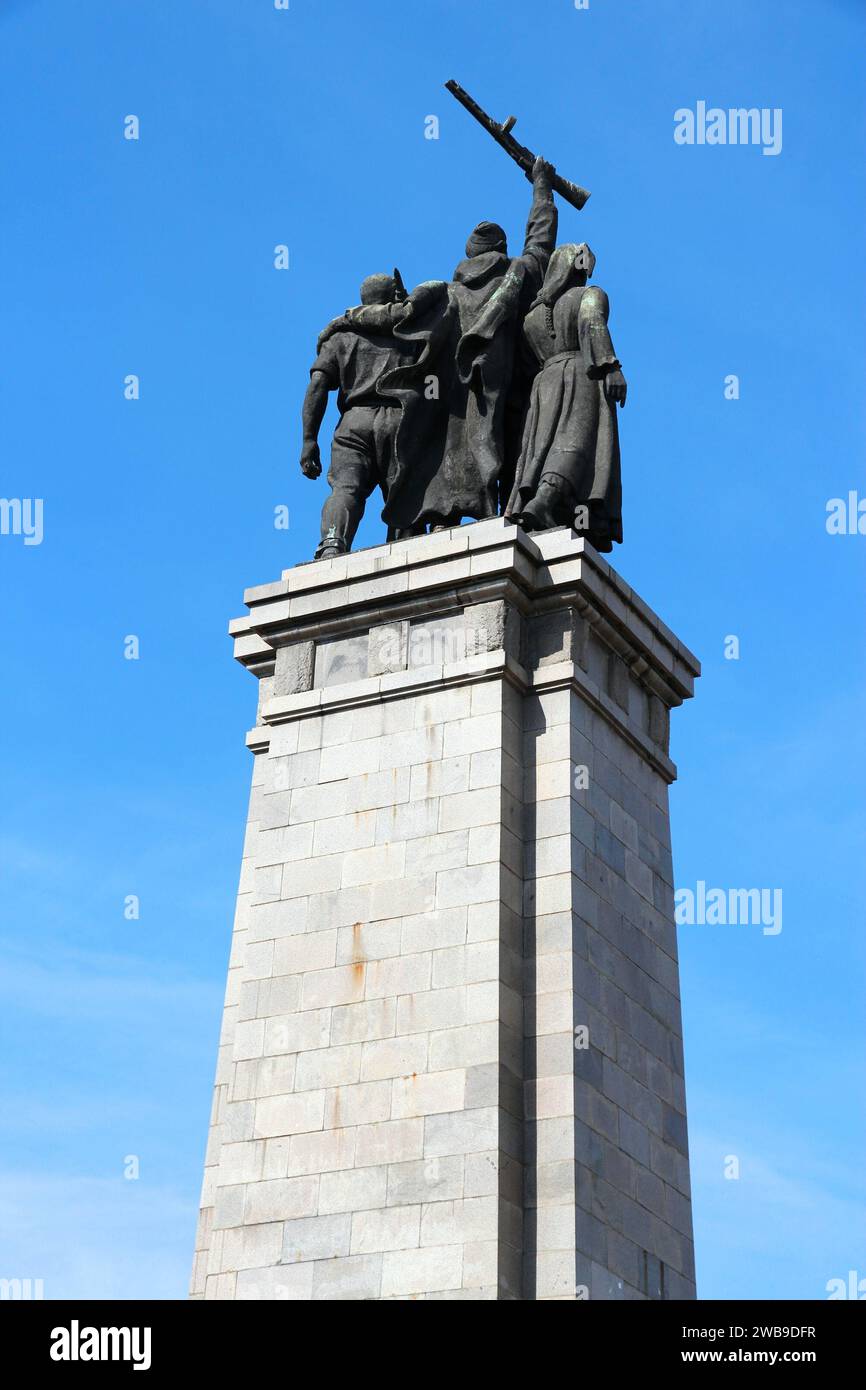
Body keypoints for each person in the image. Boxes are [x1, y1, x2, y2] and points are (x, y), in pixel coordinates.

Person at [343, 157, 559, 535]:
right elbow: (540, 242)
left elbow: (394, 316)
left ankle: (443, 518)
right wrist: (542, 186)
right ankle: (493, 510)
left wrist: (348, 317)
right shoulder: (518, 273)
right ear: (502, 248)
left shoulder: (448, 293)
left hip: (446, 391)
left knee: (451, 441)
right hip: (498, 383)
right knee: (496, 438)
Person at [505, 242, 626, 552]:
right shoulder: (589, 295)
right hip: (581, 373)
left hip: (543, 384)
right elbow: (591, 322)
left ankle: (545, 504)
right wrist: (610, 367)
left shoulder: (531, 317)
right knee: (577, 441)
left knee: (541, 449)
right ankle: (546, 499)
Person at [299, 272, 421, 559]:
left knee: (345, 489)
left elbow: (317, 385)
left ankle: (332, 543)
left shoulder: (340, 337)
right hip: (400, 421)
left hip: (354, 424)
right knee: (403, 493)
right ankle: (406, 553)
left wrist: (308, 440)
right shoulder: (410, 331)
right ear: (393, 297)